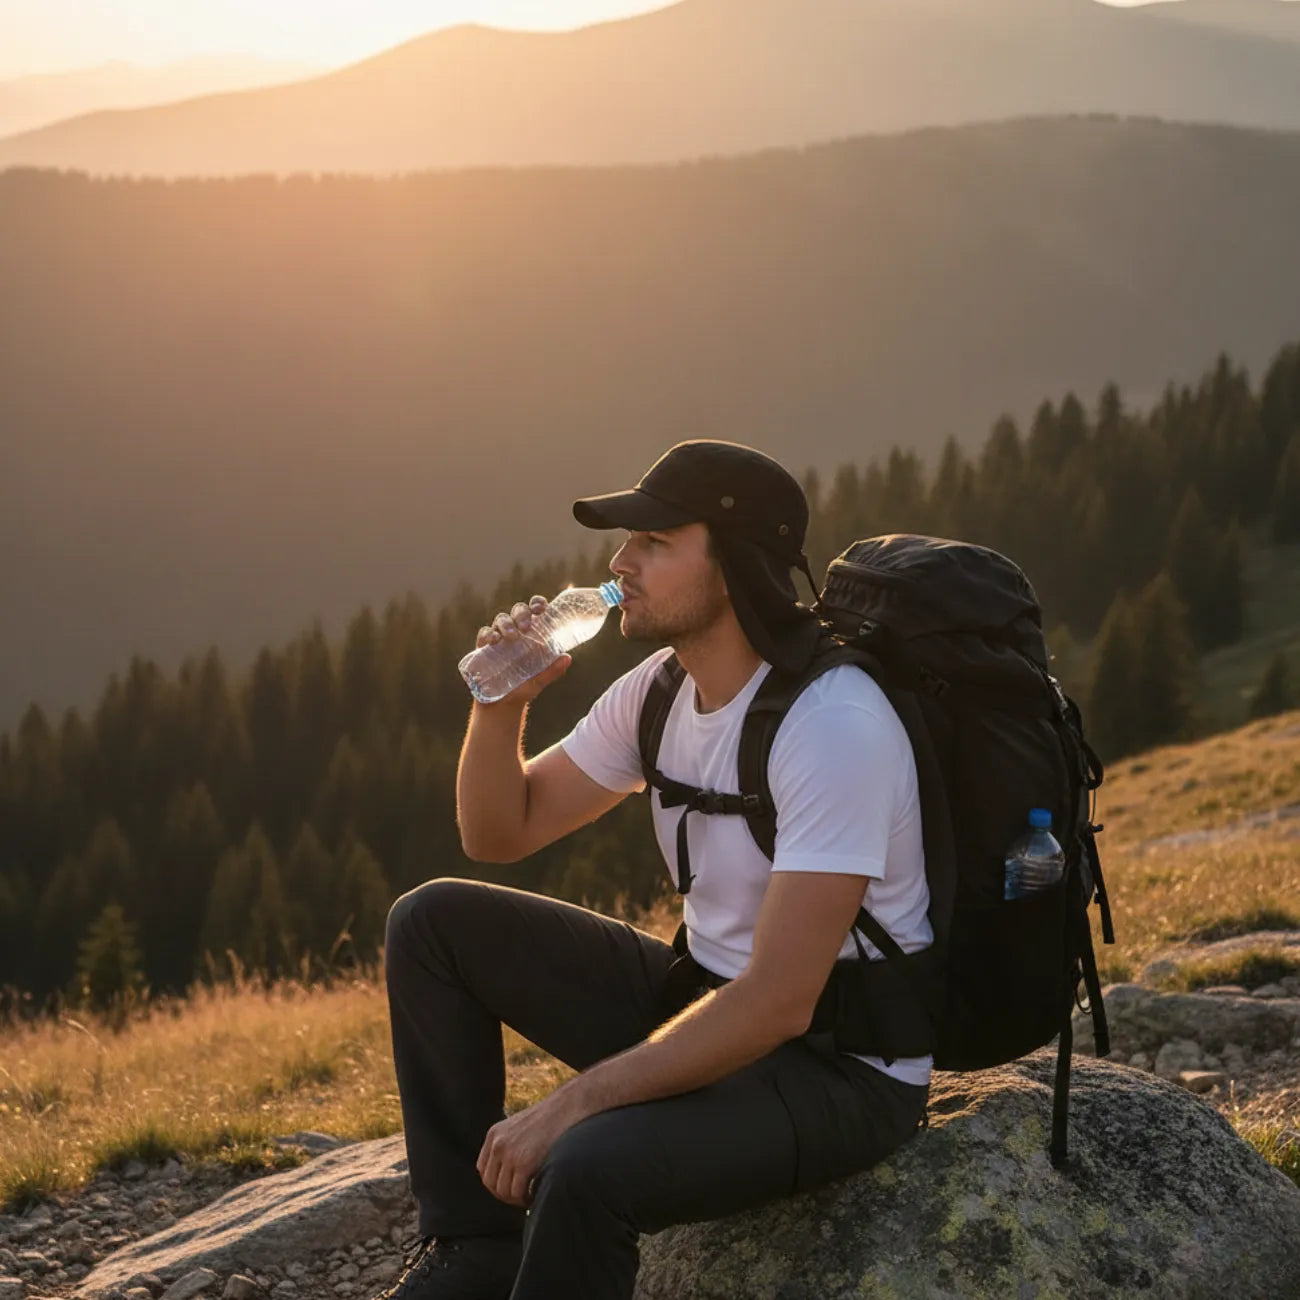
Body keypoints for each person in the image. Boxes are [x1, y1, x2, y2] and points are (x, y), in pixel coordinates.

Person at [379, 440, 934, 1300]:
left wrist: (571, 1104)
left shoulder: (834, 724)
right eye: (626, 541)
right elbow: (499, 831)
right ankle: (474, 1253)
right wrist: (500, 708)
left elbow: (780, 1002)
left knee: (584, 1165)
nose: (619, 562)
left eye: (654, 542)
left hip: (838, 1067)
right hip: (704, 1002)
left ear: (736, 563)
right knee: (431, 924)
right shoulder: (661, 689)